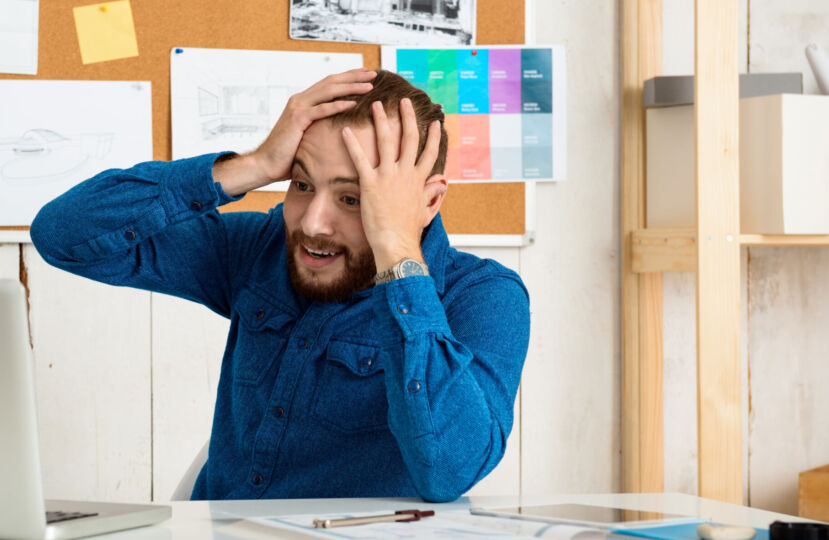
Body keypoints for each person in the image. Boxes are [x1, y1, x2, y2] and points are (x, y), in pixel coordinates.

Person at [30, 68, 530, 502]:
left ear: (427, 202)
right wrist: (253, 165)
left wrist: (397, 254)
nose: (312, 223)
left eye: (353, 199)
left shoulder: (484, 297)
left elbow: (447, 472)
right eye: (302, 184)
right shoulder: (261, 248)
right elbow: (63, 236)